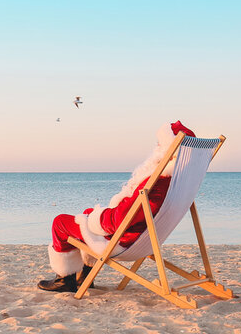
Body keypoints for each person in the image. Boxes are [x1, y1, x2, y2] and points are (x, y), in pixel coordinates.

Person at [38, 121, 196, 292]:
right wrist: (92, 214)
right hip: (145, 239)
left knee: (60, 223)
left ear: (168, 150)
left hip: (123, 240)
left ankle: (64, 280)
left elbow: (118, 222)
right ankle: (84, 277)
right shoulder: (177, 182)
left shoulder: (156, 184)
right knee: (85, 214)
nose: (157, 146)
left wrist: (95, 218)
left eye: (160, 144)